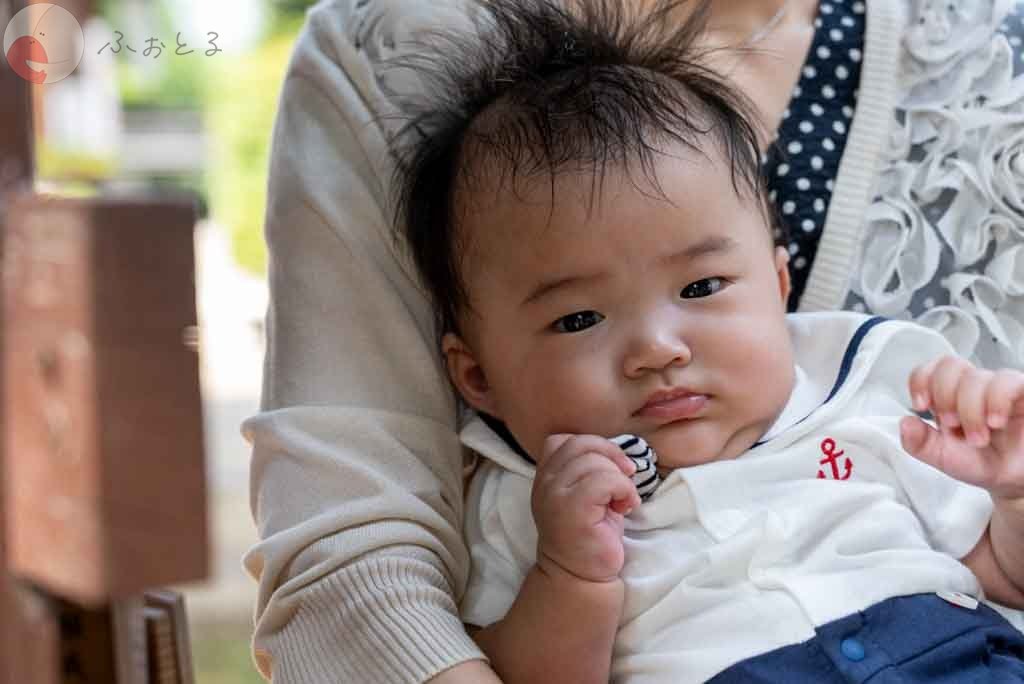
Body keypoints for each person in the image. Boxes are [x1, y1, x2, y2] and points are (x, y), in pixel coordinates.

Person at [241, 0, 1024, 681]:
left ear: (780, 286)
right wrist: (570, 575)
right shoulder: (532, 502)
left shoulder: (861, 406)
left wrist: (1011, 492)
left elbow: (998, 574)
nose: (657, 346)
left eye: (702, 289)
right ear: (476, 377)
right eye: (579, 319)